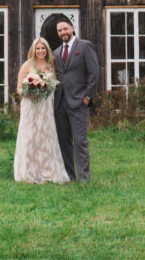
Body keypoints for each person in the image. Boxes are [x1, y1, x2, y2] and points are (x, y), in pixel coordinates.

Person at [13, 37, 69, 183]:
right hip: (30, 106)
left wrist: (45, 87)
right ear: (33, 50)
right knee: (30, 136)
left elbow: (55, 84)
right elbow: (18, 88)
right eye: (38, 48)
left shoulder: (51, 65)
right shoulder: (27, 65)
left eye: (43, 48)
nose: (40, 51)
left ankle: (48, 170)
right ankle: (27, 172)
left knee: (46, 134)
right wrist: (29, 91)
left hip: (46, 107)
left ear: (47, 50)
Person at [53, 16, 99, 183]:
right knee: (64, 142)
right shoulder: (56, 53)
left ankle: (84, 178)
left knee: (80, 141)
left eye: (65, 29)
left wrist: (88, 96)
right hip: (60, 104)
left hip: (79, 102)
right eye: (59, 30)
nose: (63, 32)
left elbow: (94, 72)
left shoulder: (84, 46)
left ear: (72, 28)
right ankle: (70, 176)